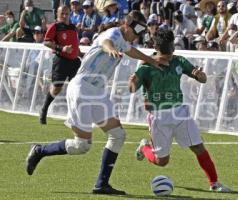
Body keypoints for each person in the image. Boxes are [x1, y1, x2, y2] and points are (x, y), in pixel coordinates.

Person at [26, 10, 164, 195]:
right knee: (81, 145)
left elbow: (132, 51)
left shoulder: (124, 40)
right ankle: (39, 151)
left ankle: (101, 185)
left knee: (118, 136)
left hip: (98, 92)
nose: (136, 36)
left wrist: (151, 60)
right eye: (134, 31)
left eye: (139, 33)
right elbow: (106, 43)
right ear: (125, 24)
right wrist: (111, 49)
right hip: (82, 89)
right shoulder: (113, 34)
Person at [128, 28, 231, 192]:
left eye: (170, 49)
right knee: (162, 162)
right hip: (158, 116)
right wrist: (132, 81)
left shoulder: (179, 61)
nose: (169, 54)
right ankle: (144, 148)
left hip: (180, 112)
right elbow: (132, 89)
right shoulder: (146, 67)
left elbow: (202, 79)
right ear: (156, 47)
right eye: (166, 51)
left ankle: (214, 183)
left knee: (198, 147)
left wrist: (200, 75)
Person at [39, 6, 81, 124]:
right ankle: (44, 109)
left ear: (70, 14)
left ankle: (74, 117)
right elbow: (46, 42)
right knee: (57, 88)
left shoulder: (73, 27)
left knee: (77, 88)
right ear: (57, 14)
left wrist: (81, 54)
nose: (64, 16)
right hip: (61, 61)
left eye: (66, 14)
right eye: (62, 13)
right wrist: (61, 48)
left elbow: (75, 45)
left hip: (74, 62)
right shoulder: (55, 26)